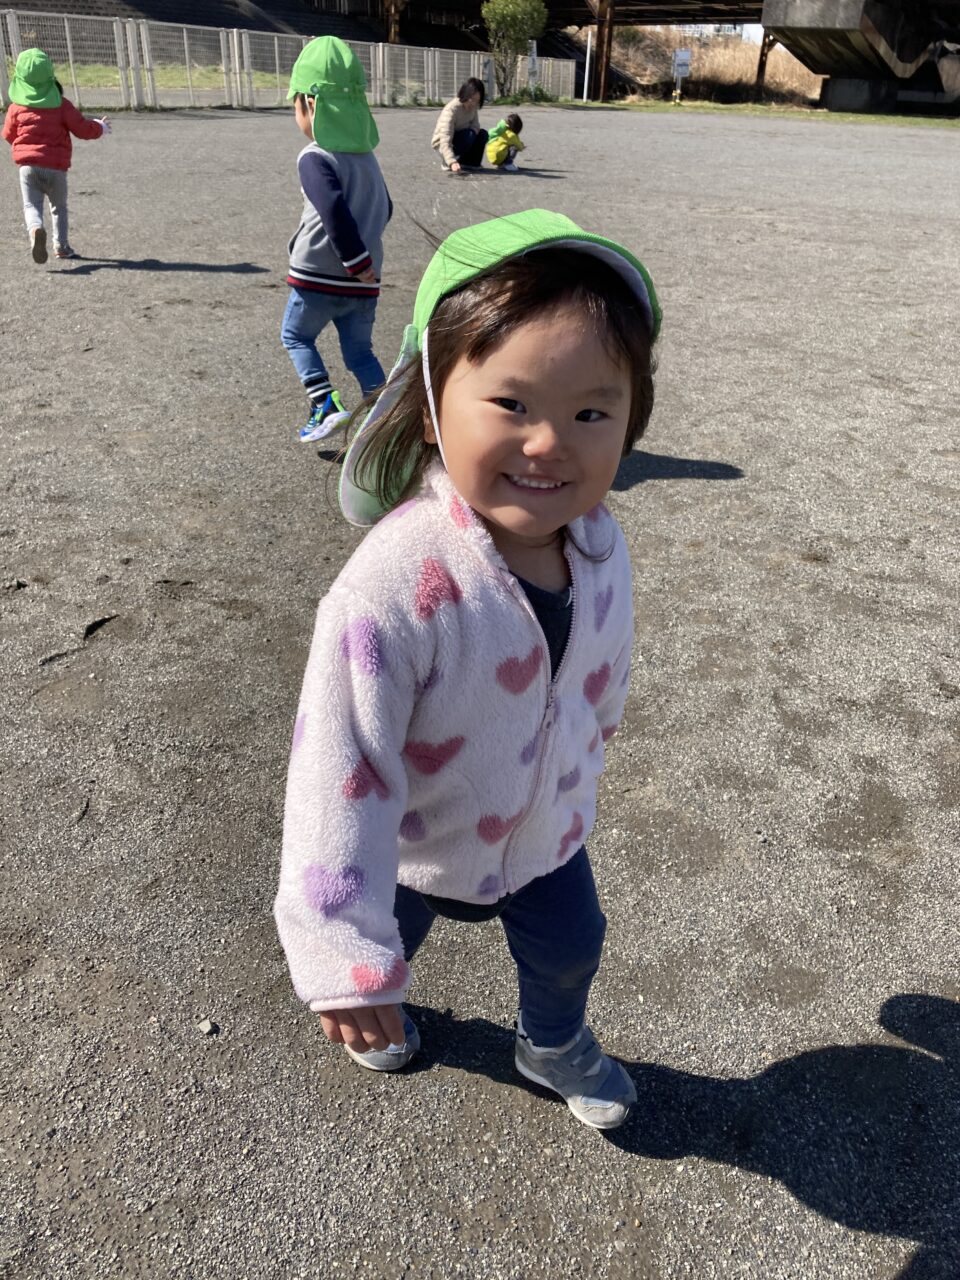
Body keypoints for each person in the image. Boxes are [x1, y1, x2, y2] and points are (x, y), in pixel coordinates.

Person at [275, 208, 662, 1130]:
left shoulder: (599, 546)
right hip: (415, 841)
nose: (550, 442)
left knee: (573, 943)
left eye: (591, 413)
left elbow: (602, 675)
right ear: (429, 404)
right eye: (512, 405)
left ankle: (550, 1040)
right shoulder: (394, 585)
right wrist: (344, 954)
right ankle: (381, 993)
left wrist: (583, 765)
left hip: (543, 834)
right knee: (390, 938)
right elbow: (339, 769)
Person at [281, 36, 392, 443]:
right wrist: (366, 262)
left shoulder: (315, 156)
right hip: (365, 282)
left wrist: (354, 259)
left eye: (296, 105)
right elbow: (386, 208)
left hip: (318, 276)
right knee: (360, 353)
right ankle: (386, 419)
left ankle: (324, 403)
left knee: (296, 336)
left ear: (311, 104)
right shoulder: (368, 160)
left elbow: (332, 210)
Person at [2, 48, 109, 263]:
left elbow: (8, 135)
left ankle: (35, 230)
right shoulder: (61, 104)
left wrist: (24, 146)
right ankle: (61, 246)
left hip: (28, 167)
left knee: (31, 205)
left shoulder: (15, 108)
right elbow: (82, 129)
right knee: (59, 208)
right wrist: (100, 127)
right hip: (56, 168)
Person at [431, 77, 488, 173]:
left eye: (477, 101)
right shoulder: (451, 109)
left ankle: (470, 163)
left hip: (463, 138)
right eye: (472, 99)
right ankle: (447, 161)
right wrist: (451, 161)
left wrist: (473, 133)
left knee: (482, 134)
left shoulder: (473, 107)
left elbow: (475, 125)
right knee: (469, 135)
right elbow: (445, 137)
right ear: (465, 95)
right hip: (443, 144)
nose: (474, 103)